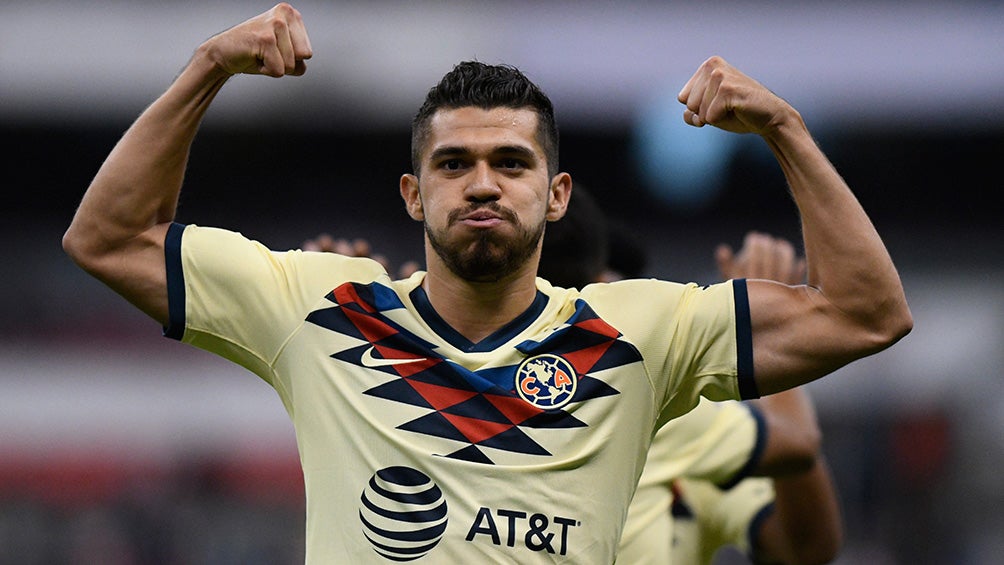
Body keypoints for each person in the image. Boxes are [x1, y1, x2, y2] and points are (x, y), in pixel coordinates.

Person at [62, 4, 911, 563]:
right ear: (413, 193)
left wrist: (783, 127)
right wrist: (207, 66)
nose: (481, 183)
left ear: (555, 193)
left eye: (511, 162)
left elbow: (867, 312)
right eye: (453, 163)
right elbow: (109, 238)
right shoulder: (321, 306)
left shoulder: (641, 332)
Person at [534, 191, 842, 564]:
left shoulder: (463, 390)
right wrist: (767, 339)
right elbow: (797, 441)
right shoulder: (650, 401)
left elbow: (806, 549)